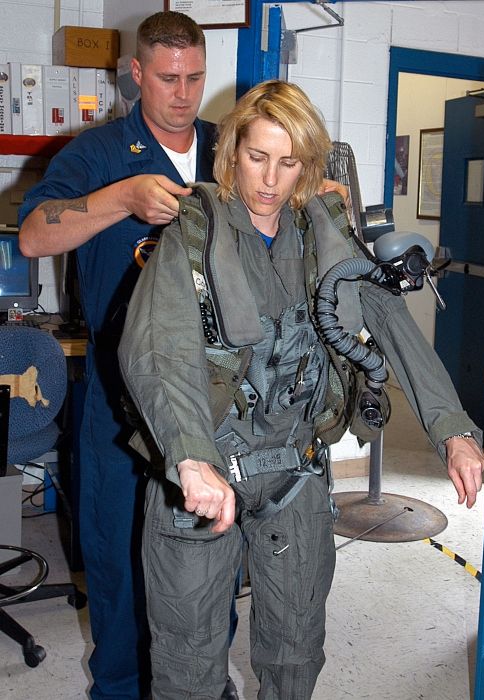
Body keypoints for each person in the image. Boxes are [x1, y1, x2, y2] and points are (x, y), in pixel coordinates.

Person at [117, 79, 484, 699]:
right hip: (205, 472)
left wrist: (450, 427)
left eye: (288, 163)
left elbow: (391, 322)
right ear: (232, 150)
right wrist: (189, 458)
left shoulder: (326, 237)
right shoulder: (192, 234)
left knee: (295, 656)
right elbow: (159, 346)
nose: (269, 179)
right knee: (188, 665)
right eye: (257, 157)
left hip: (296, 473)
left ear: (308, 167)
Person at [17, 11, 236, 700]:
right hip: (123, 398)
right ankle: (117, 685)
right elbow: (31, 237)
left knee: (210, 552)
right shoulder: (99, 153)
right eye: (167, 77)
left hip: (215, 397)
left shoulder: (227, 148)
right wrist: (121, 199)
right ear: (135, 74)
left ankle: (203, 679)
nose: (182, 92)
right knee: (117, 551)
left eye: (195, 77)